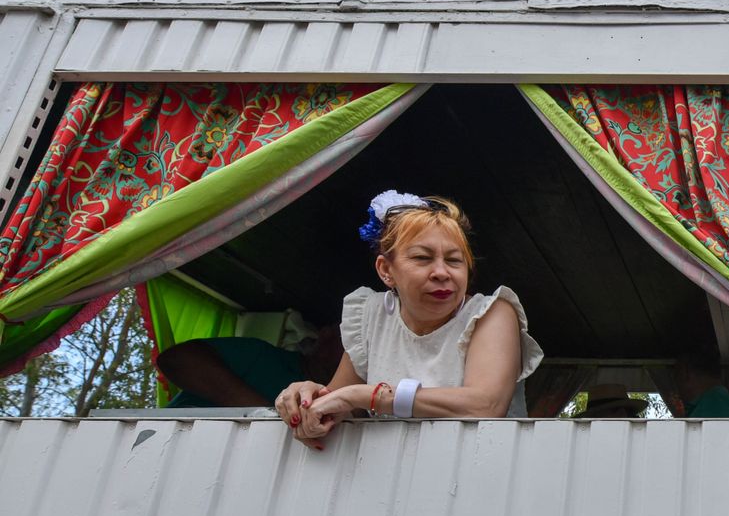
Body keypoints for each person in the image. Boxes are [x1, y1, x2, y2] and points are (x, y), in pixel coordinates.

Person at [274, 191, 543, 450]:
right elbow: (336, 402)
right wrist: (306, 398)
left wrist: (370, 396)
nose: (441, 272)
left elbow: (486, 405)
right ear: (386, 270)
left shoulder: (491, 312)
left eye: (454, 260)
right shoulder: (371, 315)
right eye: (422, 258)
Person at [159, 326, 342, 408]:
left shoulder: (337, 402)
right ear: (324, 338)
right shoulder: (262, 355)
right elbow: (175, 359)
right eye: (343, 341)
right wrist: (261, 413)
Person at [677, 350, 729, 417]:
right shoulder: (719, 400)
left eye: (676, 376)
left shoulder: (713, 404)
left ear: (685, 372)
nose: (677, 387)